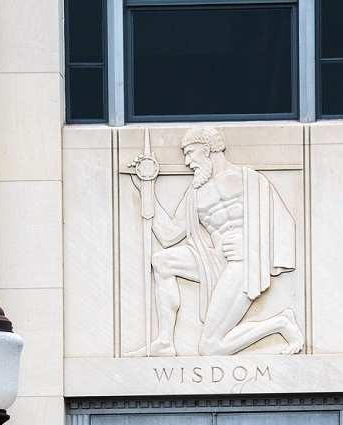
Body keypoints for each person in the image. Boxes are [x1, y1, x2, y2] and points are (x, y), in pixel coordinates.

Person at [128, 126, 303, 357]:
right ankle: (164, 341)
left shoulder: (251, 181)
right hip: (212, 260)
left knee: (211, 347)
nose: (187, 162)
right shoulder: (195, 193)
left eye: (190, 153)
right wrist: (146, 190)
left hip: (243, 264)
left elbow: (284, 225)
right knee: (162, 261)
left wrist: (252, 246)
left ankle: (281, 323)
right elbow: (168, 235)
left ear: (206, 149)